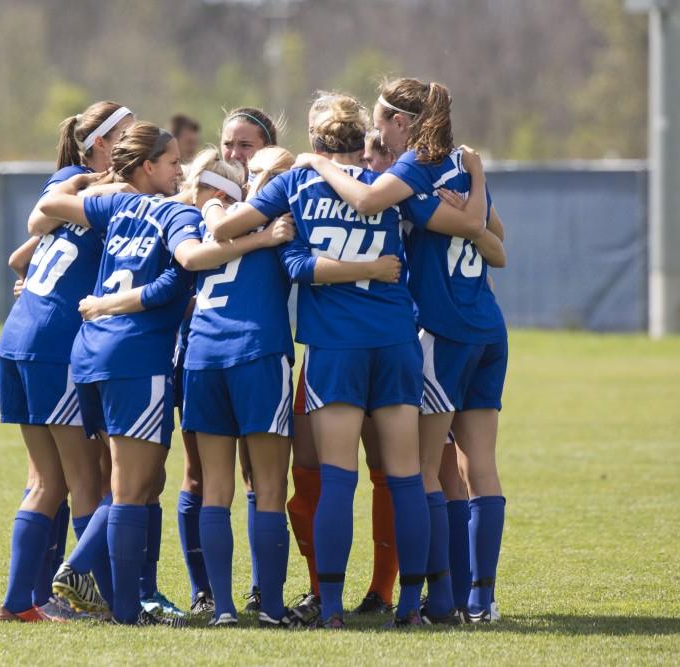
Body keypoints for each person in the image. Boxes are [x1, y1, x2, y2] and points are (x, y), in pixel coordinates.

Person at [33, 121, 293, 626]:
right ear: (149, 166)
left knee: (123, 481)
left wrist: (97, 182)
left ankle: (119, 593)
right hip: (137, 355)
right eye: (172, 161)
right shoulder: (178, 214)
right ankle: (107, 593)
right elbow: (192, 258)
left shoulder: (122, 204)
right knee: (137, 485)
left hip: (90, 356)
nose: (180, 168)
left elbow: (46, 209)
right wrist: (259, 238)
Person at [294, 77, 508, 623]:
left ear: (403, 123)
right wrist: (478, 184)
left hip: (440, 330)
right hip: (487, 326)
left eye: (381, 121)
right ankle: (475, 600)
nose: (374, 132)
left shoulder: (412, 168)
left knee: (425, 472)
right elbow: (496, 243)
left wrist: (318, 164)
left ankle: (437, 600)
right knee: (474, 466)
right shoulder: (460, 163)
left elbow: (367, 198)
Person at [212, 92, 430, 629]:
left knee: (338, 479)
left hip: (334, 348)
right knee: (405, 477)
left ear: (312, 142)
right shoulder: (387, 181)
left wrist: (230, 205)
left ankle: (329, 607)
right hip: (396, 340)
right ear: (364, 138)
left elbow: (231, 233)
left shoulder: (296, 182)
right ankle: (408, 605)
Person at [0, 101, 135, 622]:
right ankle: (78, 596)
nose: (134, 136)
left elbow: (21, 254)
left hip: (17, 338)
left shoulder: (71, 185)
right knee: (81, 481)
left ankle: (19, 603)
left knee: (46, 481)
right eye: (124, 132)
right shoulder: (98, 188)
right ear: (100, 144)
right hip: (56, 343)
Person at [175, 106, 284, 615]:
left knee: (220, 486)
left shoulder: (206, 207)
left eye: (247, 146)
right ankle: (265, 604)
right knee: (264, 486)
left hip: (205, 352)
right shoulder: (278, 207)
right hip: (254, 351)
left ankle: (222, 606)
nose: (235, 154)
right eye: (229, 145)